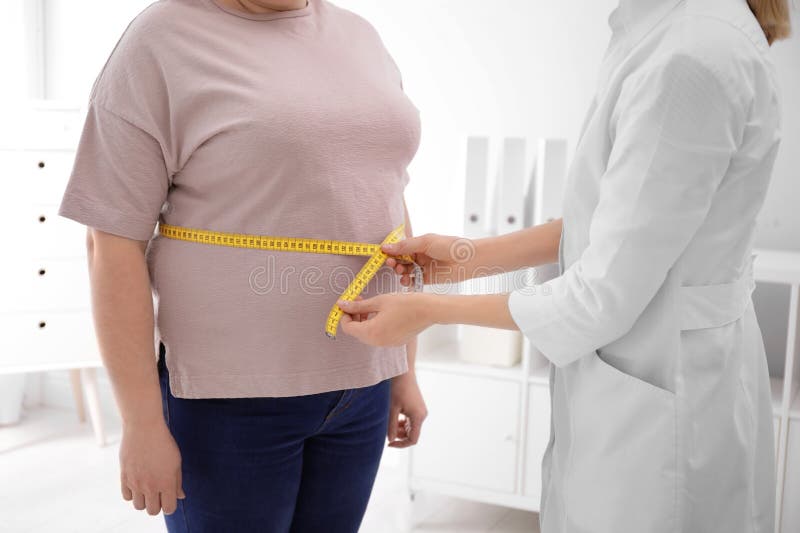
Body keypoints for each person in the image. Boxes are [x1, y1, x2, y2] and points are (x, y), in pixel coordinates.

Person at [338, 0, 792, 531]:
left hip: (667, 400)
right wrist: (468, 258)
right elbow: (610, 221)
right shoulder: (663, 30)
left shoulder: (689, 54)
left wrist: (429, 311)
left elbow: (600, 296)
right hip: (658, 374)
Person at [57, 0, 426, 531]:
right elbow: (111, 244)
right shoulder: (160, 40)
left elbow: (384, 202)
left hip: (362, 387)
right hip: (228, 398)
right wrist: (140, 422)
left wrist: (403, 370)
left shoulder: (358, 34)